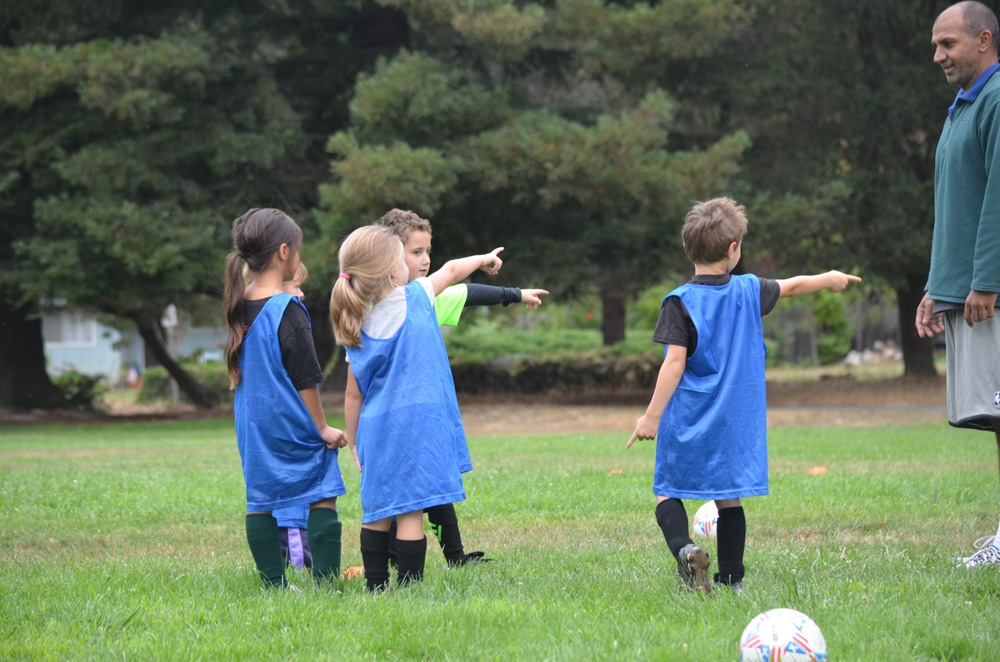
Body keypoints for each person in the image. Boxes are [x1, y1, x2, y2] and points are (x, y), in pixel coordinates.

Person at [626, 197, 860, 593]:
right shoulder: (751, 290)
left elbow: (674, 364)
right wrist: (831, 278)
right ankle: (733, 580)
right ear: (733, 249)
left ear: (688, 248)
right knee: (729, 499)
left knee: (667, 491)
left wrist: (651, 416)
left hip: (689, 418)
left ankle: (685, 549)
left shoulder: (679, 301)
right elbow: (794, 285)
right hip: (735, 422)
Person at [330, 224, 503, 591]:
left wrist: (356, 441)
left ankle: (376, 586)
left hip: (376, 430)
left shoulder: (356, 324)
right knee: (410, 512)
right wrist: (483, 259)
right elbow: (452, 270)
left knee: (376, 511)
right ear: (393, 270)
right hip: (419, 426)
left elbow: (353, 396)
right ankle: (409, 587)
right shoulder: (417, 295)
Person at [373, 208, 549, 567]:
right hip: (399, 416)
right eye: (416, 252)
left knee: (433, 484)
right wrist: (487, 264)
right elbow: (454, 273)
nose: (426, 260)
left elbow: (465, 292)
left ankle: (454, 558)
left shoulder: (424, 297)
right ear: (389, 256)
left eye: (428, 251)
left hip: (416, 414)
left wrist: (515, 294)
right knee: (403, 493)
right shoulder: (398, 301)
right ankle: (395, 561)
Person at [224, 208, 348, 588]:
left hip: (252, 424)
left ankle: (273, 585)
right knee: (322, 489)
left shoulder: (238, 303)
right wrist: (322, 428)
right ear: (283, 251)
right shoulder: (287, 308)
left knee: (259, 499)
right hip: (290, 421)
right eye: (298, 249)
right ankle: (326, 583)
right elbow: (306, 377)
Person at [919, 1, 1000, 568]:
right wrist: (937, 286)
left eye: (948, 44)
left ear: (984, 40)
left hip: (990, 295)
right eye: (935, 45)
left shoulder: (996, 99)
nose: (938, 55)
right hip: (968, 291)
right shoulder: (966, 105)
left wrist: (987, 281)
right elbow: (956, 206)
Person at [271, 261, 315, 572]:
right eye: (296, 287)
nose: (301, 295)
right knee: (292, 500)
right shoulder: (284, 318)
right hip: (288, 429)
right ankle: (298, 563)